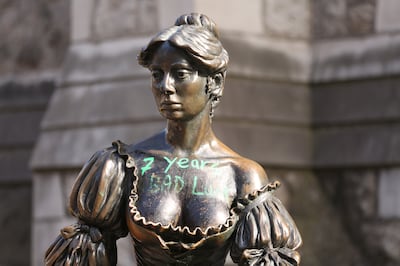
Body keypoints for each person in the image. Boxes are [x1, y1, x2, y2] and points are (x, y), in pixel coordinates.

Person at [45, 13, 302, 266]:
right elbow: (82, 256)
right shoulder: (122, 166)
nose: (165, 86)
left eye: (180, 74)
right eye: (157, 74)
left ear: (215, 82)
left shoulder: (243, 176)